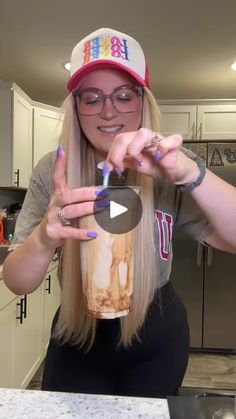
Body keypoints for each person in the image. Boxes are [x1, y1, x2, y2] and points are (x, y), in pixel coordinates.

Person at [3, 28, 236, 398]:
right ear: (76, 108)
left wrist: (189, 173)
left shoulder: (170, 166)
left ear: (142, 102)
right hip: (77, 337)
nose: (108, 111)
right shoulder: (54, 170)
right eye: (91, 98)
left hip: (157, 336)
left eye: (124, 96)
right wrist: (46, 236)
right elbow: (17, 281)